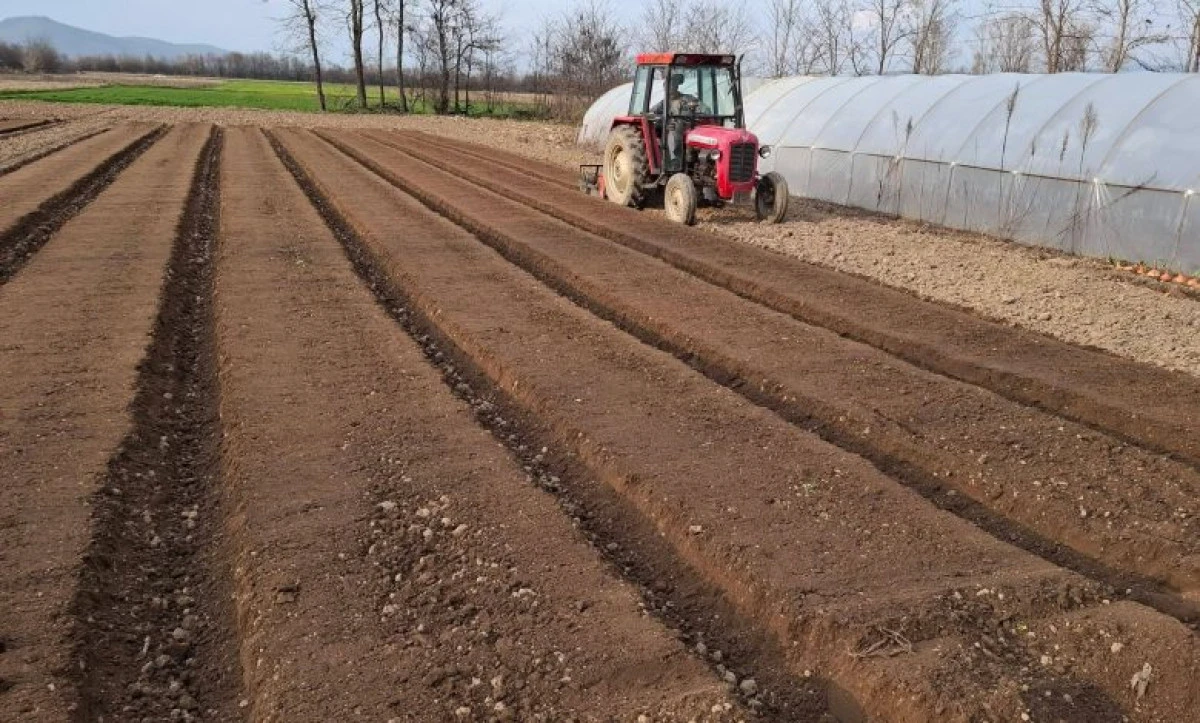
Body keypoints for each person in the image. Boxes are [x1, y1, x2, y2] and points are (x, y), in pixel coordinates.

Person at [651, 73, 709, 171]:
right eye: (667, 85)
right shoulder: (663, 104)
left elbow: (706, 110)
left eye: (672, 85)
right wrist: (663, 124)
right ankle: (674, 164)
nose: (669, 88)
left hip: (691, 127)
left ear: (677, 86)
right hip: (672, 129)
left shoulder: (688, 99)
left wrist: (700, 114)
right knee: (675, 126)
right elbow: (652, 115)